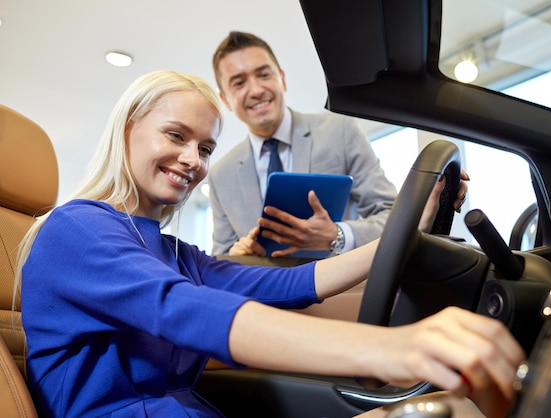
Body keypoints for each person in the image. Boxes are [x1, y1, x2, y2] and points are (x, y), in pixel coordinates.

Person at [16, 70, 522, 418]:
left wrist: (408, 232)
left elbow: (293, 283)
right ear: (128, 130)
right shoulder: (76, 229)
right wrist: (391, 349)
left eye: (205, 147)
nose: (192, 159)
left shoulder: (173, 253)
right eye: (175, 135)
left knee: (449, 410)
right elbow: (183, 309)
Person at [208, 30, 400, 257]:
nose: (256, 90)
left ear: (282, 79)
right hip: (265, 292)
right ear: (225, 100)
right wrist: (237, 256)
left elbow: (392, 215)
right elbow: (219, 259)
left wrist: (337, 235)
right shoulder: (220, 175)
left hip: (343, 288)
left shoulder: (341, 131)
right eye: (239, 83)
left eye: (264, 75)